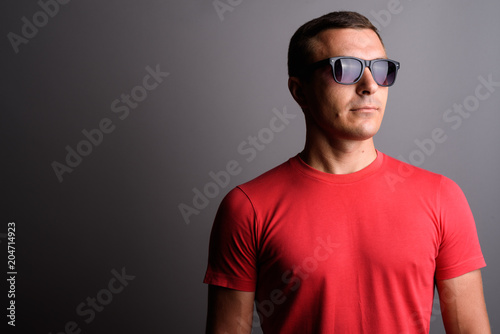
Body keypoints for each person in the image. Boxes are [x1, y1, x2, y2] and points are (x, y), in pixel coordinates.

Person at [203, 11, 490, 333]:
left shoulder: (441, 197)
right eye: (346, 69)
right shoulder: (248, 207)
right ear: (299, 91)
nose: (370, 86)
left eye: (382, 69)